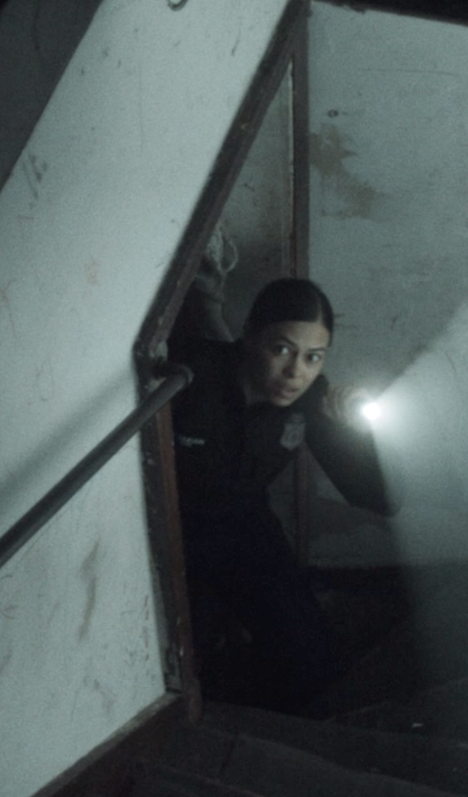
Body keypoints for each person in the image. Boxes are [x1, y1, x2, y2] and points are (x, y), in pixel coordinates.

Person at [167, 249, 393, 713]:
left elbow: (379, 499)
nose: (296, 373)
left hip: (247, 534)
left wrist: (356, 436)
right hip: (177, 537)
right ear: (250, 337)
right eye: (282, 350)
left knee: (316, 663)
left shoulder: (312, 399)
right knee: (192, 662)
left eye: (314, 357)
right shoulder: (195, 373)